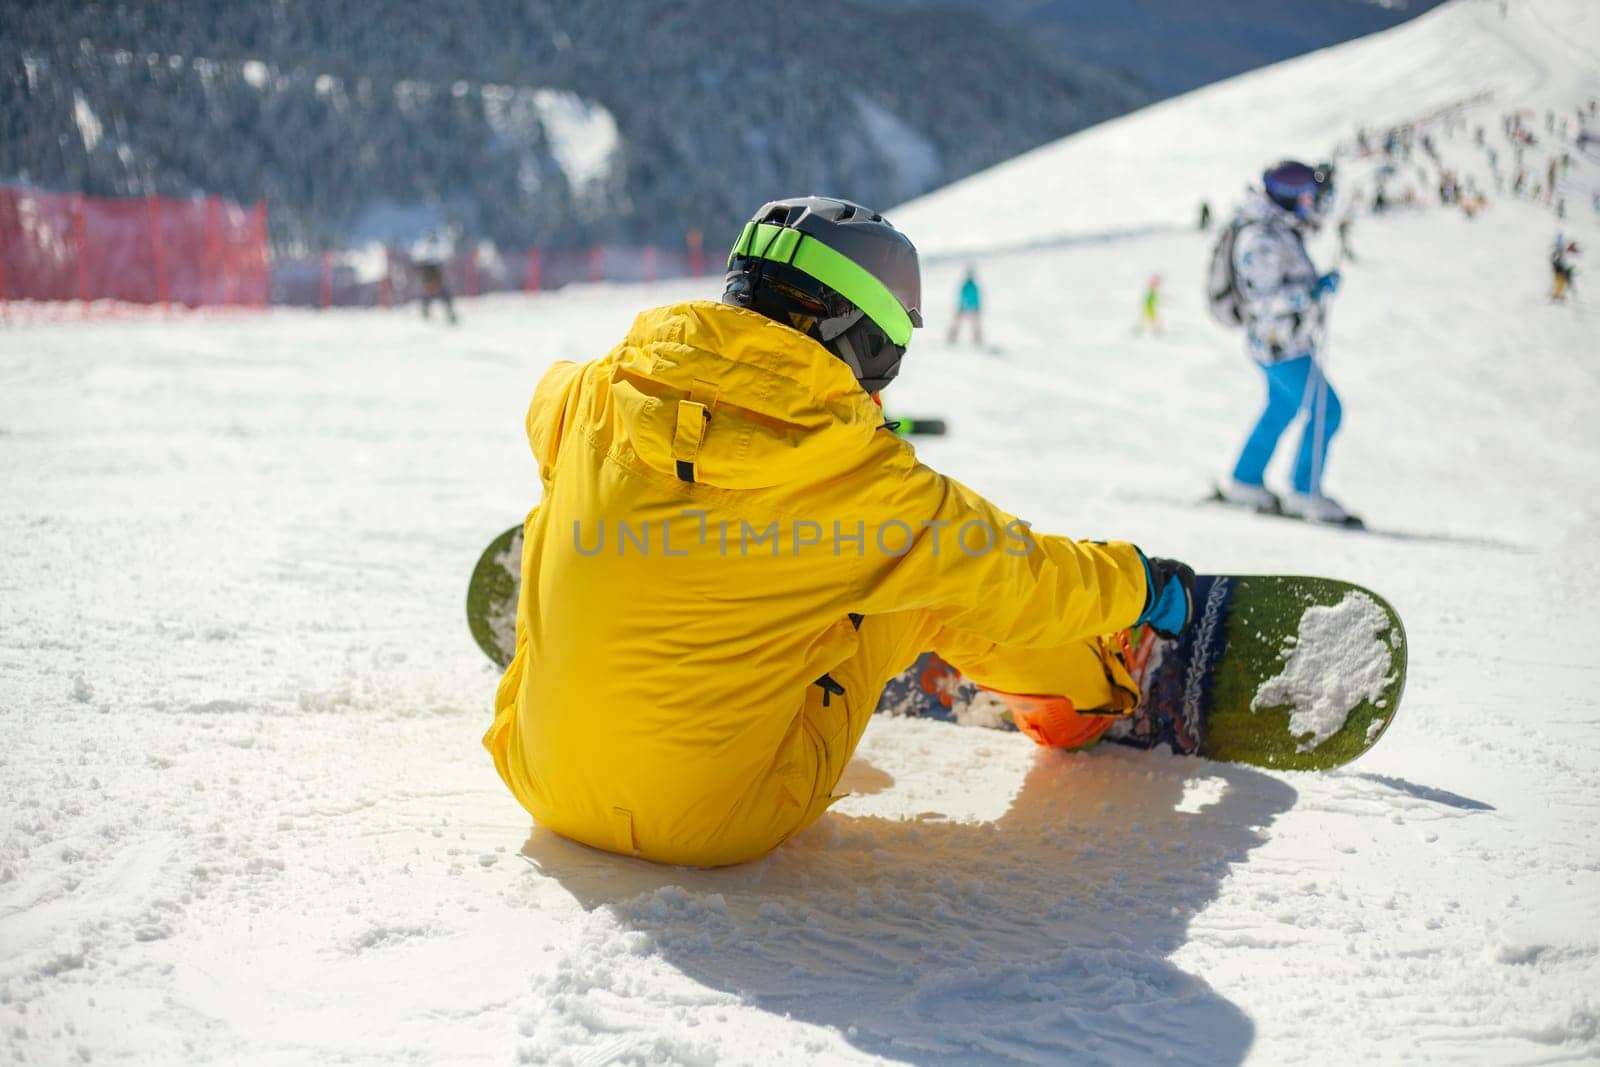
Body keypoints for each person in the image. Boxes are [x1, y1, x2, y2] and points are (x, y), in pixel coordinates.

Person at [482, 196, 1196, 868]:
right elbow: (1022, 576)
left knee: (603, 503)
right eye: (886, 356)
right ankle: (1087, 695)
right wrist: (1140, 582)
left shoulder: (591, 389)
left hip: (535, 776)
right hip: (718, 823)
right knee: (932, 585)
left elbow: (545, 406)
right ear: (853, 336)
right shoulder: (866, 484)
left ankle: (614, 592)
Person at [1215, 161, 1353, 523]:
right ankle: (1304, 492)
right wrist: (1310, 293)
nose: (1312, 205)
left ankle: (1245, 479)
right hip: (1279, 343)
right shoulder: (1261, 238)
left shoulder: (1276, 230)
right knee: (1327, 409)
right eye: (1308, 197)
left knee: (1282, 407)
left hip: (1284, 341)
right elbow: (1262, 300)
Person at [412, 232, 458, 324]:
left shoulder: (428, 249)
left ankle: (447, 313)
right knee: (434, 295)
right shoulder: (424, 249)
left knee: (439, 295)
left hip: (431, 277)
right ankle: (426, 314)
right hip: (429, 277)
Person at [947, 266, 983, 346]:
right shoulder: (966, 285)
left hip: (972, 308)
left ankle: (978, 341)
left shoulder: (973, 286)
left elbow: (976, 298)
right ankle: (952, 339)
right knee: (956, 324)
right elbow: (962, 296)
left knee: (976, 325)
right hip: (963, 307)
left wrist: (976, 307)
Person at [1550, 234, 1580, 301]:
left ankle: (1558, 296)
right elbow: (1557, 261)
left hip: (1562, 270)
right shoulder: (1560, 253)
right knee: (1560, 283)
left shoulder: (1563, 253)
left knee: (1562, 284)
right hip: (1559, 270)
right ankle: (1556, 296)